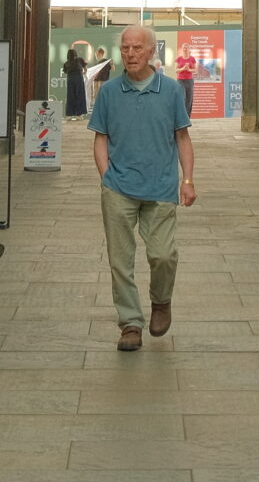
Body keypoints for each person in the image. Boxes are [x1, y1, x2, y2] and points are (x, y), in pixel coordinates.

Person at [87, 25, 194, 352]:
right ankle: (130, 323)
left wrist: (187, 179)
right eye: (125, 48)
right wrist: (107, 177)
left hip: (161, 187)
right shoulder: (109, 92)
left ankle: (161, 302)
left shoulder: (171, 90)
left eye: (137, 48)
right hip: (119, 188)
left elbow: (182, 138)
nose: (130, 54)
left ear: (151, 52)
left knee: (163, 255)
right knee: (120, 260)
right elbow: (100, 139)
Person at [63, 44, 90, 120]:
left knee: (70, 96)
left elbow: (65, 71)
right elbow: (85, 67)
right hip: (79, 77)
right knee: (80, 95)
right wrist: (84, 72)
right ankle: (79, 115)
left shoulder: (66, 63)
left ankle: (69, 115)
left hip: (70, 78)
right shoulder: (79, 59)